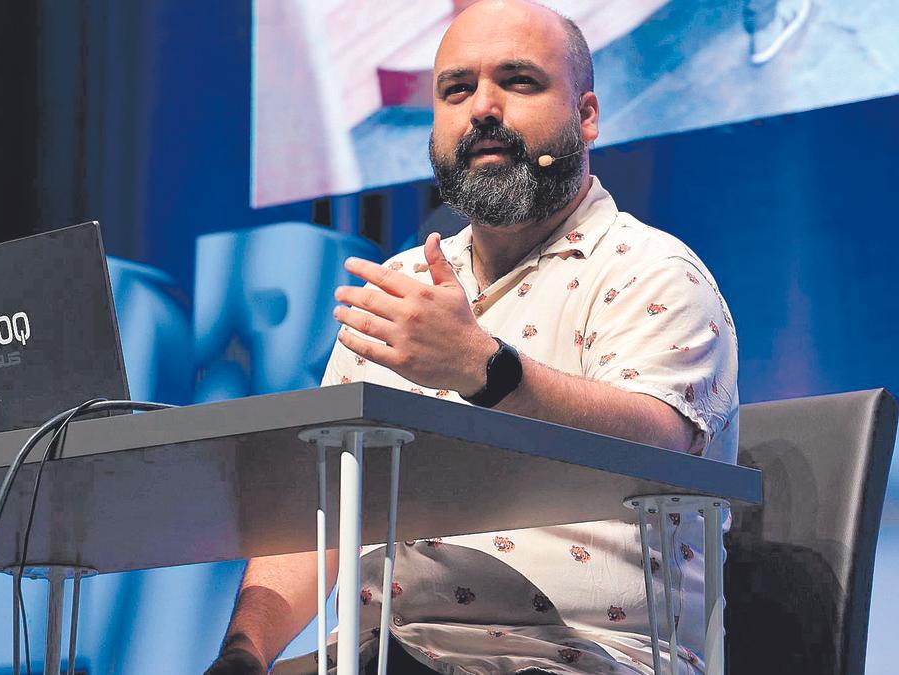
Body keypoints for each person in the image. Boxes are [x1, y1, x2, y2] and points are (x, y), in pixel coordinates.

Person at [209, 1, 738, 672]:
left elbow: (660, 446)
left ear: (587, 115)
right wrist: (244, 650)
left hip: (585, 656)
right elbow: (325, 506)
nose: (483, 107)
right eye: (456, 90)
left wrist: (487, 369)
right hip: (388, 655)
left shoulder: (653, 272)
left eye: (518, 82)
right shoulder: (403, 291)